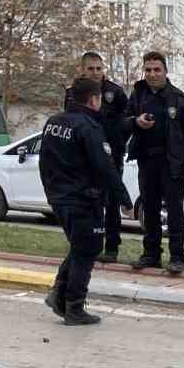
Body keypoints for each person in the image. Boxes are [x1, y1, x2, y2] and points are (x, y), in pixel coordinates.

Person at [39, 78, 133, 326]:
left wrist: (51, 191)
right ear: (94, 99)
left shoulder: (53, 123)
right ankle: (74, 306)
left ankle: (59, 295)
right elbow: (105, 167)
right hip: (83, 199)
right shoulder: (89, 127)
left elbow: (44, 160)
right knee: (88, 250)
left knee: (79, 246)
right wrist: (124, 199)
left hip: (59, 197)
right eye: (99, 98)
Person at [123, 51, 184, 275]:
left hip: (172, 164)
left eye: (157, 69)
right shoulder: (138, 95)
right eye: (148, 70)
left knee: (175, 212)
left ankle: (177, 257)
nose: (152, 74)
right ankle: (151, 255)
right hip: (147, 161)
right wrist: (136, 122)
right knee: (149, 209)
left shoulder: (178, 99)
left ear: (165, 71)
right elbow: (123, 122)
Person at [64, 52, 129, 263]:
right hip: (83, 160)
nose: (95, 72)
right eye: (91, 69)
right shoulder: (73, 93)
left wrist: (116, 144)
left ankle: (111, 247)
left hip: (110, 155)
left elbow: (126, 123)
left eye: (98, 68)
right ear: (82, 70)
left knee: (111, 204)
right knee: (88, 203)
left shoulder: (115, 93)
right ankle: (89, 244)